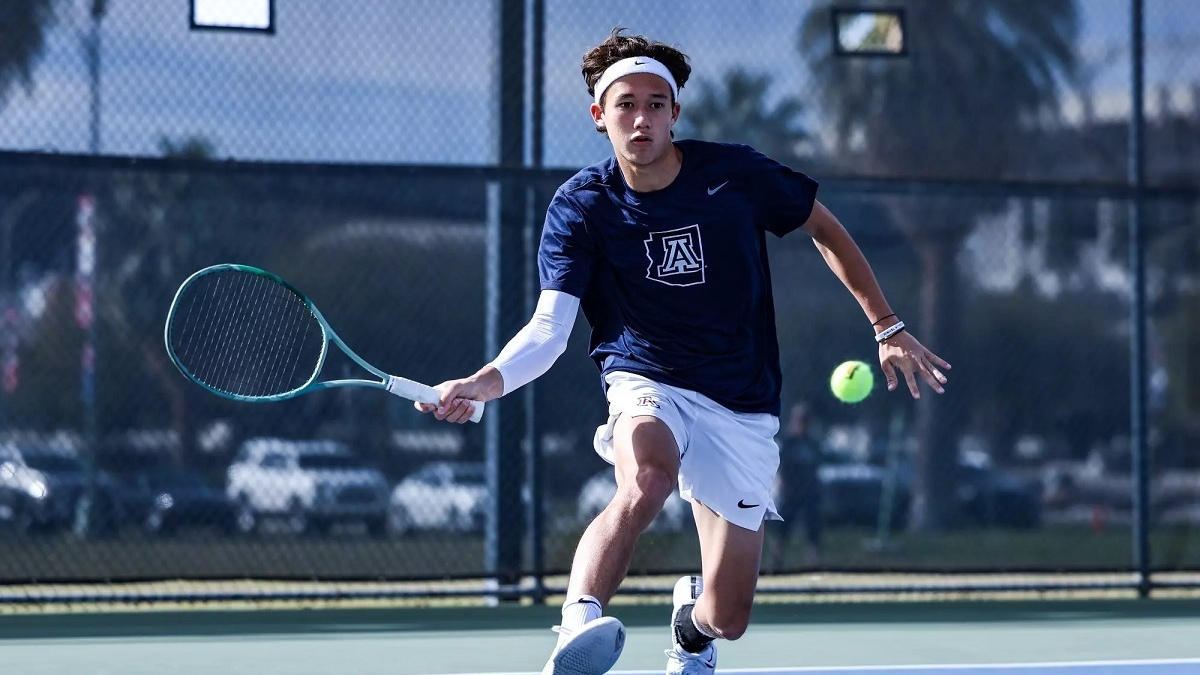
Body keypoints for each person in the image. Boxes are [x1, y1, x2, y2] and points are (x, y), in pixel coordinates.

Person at [416, 27, 951, 675]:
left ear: (675, 113)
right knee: (646, 481)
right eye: (625, 104)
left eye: (654, 104)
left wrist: (887, 324)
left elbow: (823, 226)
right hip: (646, 377)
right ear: (599, 116)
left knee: (730, 615)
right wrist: (484, 381)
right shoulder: (581, 207)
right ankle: (578, 622)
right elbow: (550, 329)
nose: (640, 118)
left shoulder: (734, 174)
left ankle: (691, 629)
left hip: (742, 396)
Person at [767, 401, 825, 571]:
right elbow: (781, 466)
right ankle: (776, 563)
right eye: (799, 419)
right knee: (782, 531)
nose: (802, 423)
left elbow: (816, 467)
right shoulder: (787, 442)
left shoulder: (812, 443)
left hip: (809, 494)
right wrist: (784, 485)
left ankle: (813, 564)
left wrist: (816, 487)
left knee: (812, 530)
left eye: (805, 419)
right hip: (790, 493)